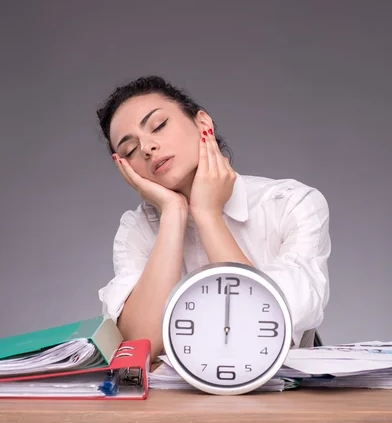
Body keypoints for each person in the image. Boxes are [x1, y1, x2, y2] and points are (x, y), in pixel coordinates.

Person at [97, 75, 331, 361]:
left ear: (202, 123)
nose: (147, 148)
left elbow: (267, 325)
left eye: (158, 126)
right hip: (175, 404)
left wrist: (207, 214)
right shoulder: (137, 229)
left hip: (283, 400)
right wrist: (173, 212)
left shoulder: (292, 203)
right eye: (129, 150)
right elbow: (137, 347)